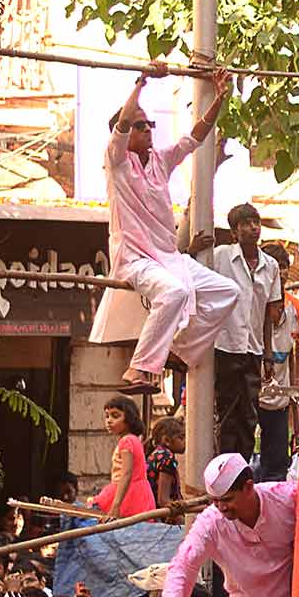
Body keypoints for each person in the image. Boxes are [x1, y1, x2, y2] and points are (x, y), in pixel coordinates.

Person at [102, 64, 238, 391]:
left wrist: (221, 98)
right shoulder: (116, 161)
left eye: (150, 124)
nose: (148, 129)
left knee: (227, 292)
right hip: (136, 259)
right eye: (140, 125)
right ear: (124, 133)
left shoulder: (159, 159)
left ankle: (179, 351)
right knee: (174, 293)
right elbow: (121, 124)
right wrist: (143, 81)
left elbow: (195, 137)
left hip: (169, 257)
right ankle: (138, 370)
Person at [162, 453, 299, 597]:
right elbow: (183, 566)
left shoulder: (285, 498)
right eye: (215, 501)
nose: (221, 507)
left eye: (227, 499)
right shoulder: (210, 521)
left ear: (248, 487)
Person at [208, 202, 283, 457]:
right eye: (246, 224)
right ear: (234, 231)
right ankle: (225, 466)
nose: (253, 228)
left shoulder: (271, 266)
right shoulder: (220, 257)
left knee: (250, 414)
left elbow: (267, 315)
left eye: (256, 222)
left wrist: (269, 354)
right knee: (227, 410)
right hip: (225, 345)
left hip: (253, 348)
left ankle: (243, 466)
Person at [257, 244, 298, 480]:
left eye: (284, 267)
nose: (281, 273)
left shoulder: (296, 309)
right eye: (276, 266)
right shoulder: (251, 304)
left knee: (277, 462)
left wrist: (294, 399)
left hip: (280, 397)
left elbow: (296, 356)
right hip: (252, 393)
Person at [91, 395, 156, 520]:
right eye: (107, 416)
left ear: (129, 418)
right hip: (139, 493)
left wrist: (116, 506)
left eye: (115, 416)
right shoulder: (134, 439)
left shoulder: (126, 441)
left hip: (129, 495)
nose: (109, 420)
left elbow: (126, 474)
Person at [145, 415, 186, 506]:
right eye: (181, 437)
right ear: (167, 440)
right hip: (158, 516)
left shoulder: (157, 454)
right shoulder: (167, 458)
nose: (185, 441)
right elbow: (163, 500)